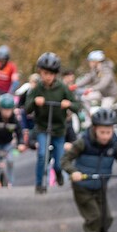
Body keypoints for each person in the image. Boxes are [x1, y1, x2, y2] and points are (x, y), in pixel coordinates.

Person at [64, 108, 117, 232]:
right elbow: (65, 160)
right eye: (102, 132)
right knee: (94, 217)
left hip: (100, 187)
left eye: (108, 132)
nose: (105, 136)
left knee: (106, 219)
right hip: (82, 186)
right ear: (94, 129)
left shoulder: (114, 146)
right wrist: (73, 172)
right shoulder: (83, 143)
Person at [24, 52, 80, 193]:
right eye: (44, 73)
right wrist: (35, 102)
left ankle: (59, 172)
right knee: (42, 155)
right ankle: (39, 184)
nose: (47, 77)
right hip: (42, 127)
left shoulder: (62, 88)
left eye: (50, 74)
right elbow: (27, 107)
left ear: (55, 74)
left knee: (59, 160)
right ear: (40, 73)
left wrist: (68, 104)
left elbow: (77, 106)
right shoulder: (37, 88)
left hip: (59, 129)